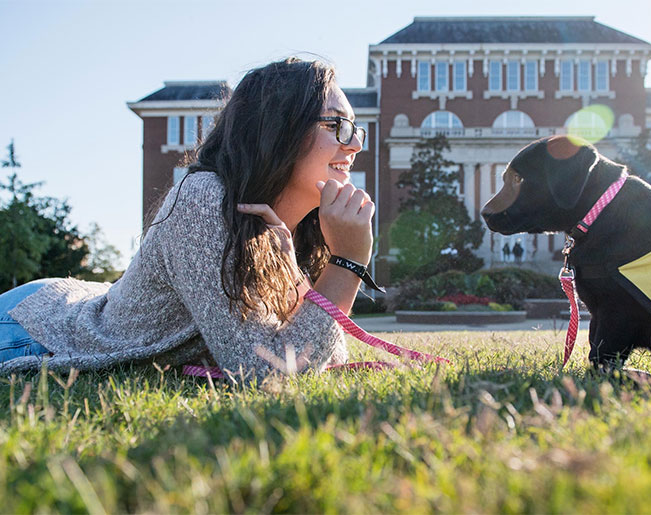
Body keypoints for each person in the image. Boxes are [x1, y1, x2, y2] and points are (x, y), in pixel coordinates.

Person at [0, 58, 373, 383]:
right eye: (337, 125)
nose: (354, 144)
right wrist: (347, 263)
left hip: (87, 301)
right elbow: (265, 374)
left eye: (356, 129)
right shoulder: (204, 199)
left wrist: (294, 275)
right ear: (279, 128)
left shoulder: (288, 231)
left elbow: (329, 357)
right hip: (32, 330)